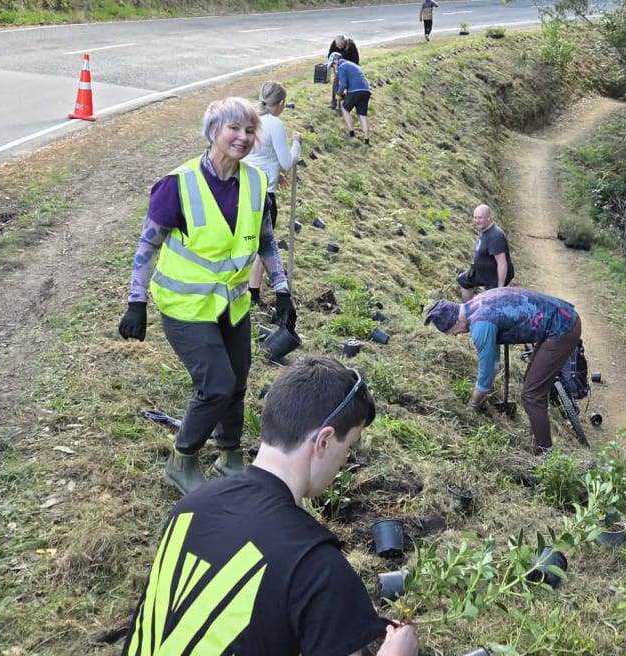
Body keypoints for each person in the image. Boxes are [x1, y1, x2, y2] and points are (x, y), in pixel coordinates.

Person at [122, 357, 419, 656]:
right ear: (325, 441)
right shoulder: (316, 566)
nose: (344, 462)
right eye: (349, 447)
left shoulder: (188, 508)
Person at [117, 97, 299, 497]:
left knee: (237, 383)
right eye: (234, 128)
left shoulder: (255, 183)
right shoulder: (177, 186)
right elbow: (147, 248)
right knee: (216, 384)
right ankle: (182, 460)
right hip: (185, 306)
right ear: (212, 131)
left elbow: (266, 242)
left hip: (232, 304)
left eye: (250, 130)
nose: (243, 137)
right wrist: (136, 300)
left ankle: (229, 456)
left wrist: (282, 290)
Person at [423, 287, 582, 455]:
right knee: (531, 384)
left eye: (451, 332)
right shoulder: (477, 303)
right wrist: (494, 365)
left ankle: (546, 454)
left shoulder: (480, 326)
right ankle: (539, 427)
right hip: (561, 316)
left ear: (455, 322)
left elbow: (486, 378)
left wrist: (473, 405)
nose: (455, 336)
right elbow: (494, 362)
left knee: (531, 396)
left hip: (562, 329)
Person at [243, 81, 302, 311]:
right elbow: (287, 162)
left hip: (240, 189)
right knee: (263, 245)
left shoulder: (249, 119)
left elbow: (256, 156)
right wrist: (296, 144)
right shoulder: (274, 124)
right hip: (263, 195)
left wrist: (275, 173)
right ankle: (253, 294)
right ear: (281, 103)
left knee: (241, 241)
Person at [457, 204, 514, 301]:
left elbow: (502, 263)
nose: (476, 221)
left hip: (494, 278)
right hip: (483, 273)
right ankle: (469, 310)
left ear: (489, 218)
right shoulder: (484, 230)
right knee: (463, 280)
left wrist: (499, 288)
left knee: (490, 302)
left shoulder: (496, 236)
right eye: (475, 218)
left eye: (480, 218)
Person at [330, 52, 372, 145]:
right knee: (363, 116)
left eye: (333, 65)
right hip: (366, 90)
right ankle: (366, 140)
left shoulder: (342, 67)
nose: (334, 68)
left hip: (355, 90)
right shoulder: (351, 64)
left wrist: (338, 94)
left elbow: (344, 84)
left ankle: (351, 132)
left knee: (344, 107)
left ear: (336, 61)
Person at [327, 34, 360, 110]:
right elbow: (330, 56)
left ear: (344, 43)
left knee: (348, 85)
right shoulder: (334, 44)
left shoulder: (351, 46)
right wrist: (334, 64)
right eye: (338, 45)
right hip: (337, 66)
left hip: (350, 66)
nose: (339, 47)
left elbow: (355, 60)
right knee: (336, 83)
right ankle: (334, 102)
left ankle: (346, 105)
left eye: (341, 45)